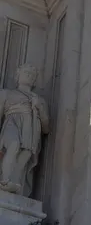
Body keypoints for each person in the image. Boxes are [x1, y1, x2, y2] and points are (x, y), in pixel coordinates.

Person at [0, 64, 50, 196]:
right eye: (26, 72)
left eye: (32, 75)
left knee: (25, 156)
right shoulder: (6, 93)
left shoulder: (40, 100)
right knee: (13, 144)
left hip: (32, 128)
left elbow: (46, 127)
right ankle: (4, 180)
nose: (29, 75)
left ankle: (15, 186)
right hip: (12, 123)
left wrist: (39, 107)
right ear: (18, 75)